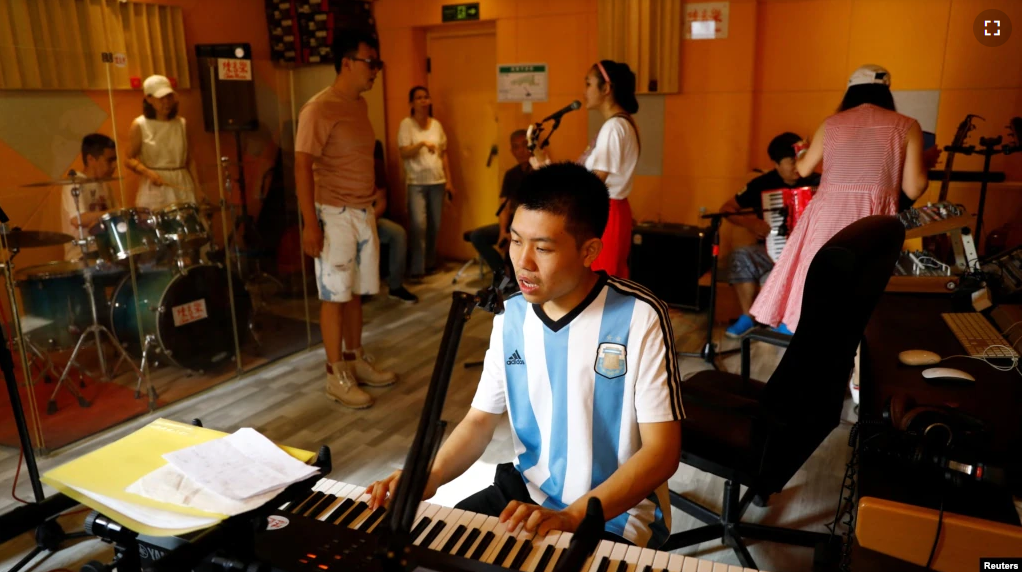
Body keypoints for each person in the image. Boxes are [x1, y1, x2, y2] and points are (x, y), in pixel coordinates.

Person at [367, 163, 684, 548]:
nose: (523, 262)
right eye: (516, 241)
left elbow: (662, 452)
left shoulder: (639, 316)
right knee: (422, 550)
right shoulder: (510, 314)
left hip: (614, 514)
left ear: (589, 251)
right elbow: (481, 421)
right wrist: (428, 476)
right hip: (525, 495)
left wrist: (571, 516)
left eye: (543, 248)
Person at [750, 65, 940, 333]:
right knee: (857, 298)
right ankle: (853, 368)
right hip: (871, 219)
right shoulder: (907, 126)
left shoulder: (831, 124)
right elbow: (914, 188)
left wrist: (803, 150)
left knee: (818, 288)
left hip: (826, 217)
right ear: (886, 92)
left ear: (850, 93)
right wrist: (923, 163)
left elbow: (802, 170)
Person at [296, 30, 397, 409]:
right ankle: (334, 373)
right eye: (371, 63)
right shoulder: (319, 108)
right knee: (334, 296)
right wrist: (310, 223)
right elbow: (302, 165)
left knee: (354, 292)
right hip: (333, 214)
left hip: (362, 211)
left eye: (378, 64)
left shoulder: (359, 106)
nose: (375, 71)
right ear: (347, 63)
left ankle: (355, 359)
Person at [538, 60, 640, 279]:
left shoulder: (614, 127)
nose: (584, 92)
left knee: (603, 281)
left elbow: (594, 184)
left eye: (588, 84)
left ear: (606, 89)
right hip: (610, 209)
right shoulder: (617, 125)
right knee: (603, 280)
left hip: (607, 211)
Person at [721, 132, 821, 338]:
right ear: (776, 164)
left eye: (800, 159)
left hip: (808, 253)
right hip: (772, 250)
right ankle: (748, 317)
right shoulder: (762, 183)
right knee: (740, 256)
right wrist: (750, 223)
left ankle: (789, 320)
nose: (797, 166)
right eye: (791, 161)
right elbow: (727, 208)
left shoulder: (819, 182)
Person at [398, 86, 456, 280]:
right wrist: (422, 144)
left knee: (434, 224)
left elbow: (444, 154)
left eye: (426, 97)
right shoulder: (407, 124)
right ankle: (416, 268)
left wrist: (449, 181)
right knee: (418, 225)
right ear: (412, 103)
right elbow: (404, 152)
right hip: (416, 183)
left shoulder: (436, 125)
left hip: (437, 181)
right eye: (418, 98)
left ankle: (430, 263)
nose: (423, 101)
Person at [126, 75, 198, 211]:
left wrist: (198, 189)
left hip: (181, 180)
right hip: (155, 183)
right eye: (161, 98)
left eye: (169, 97)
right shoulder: (140, 125)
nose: (167, 102)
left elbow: (190, 159)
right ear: (149, 99)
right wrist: (147, 172)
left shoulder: (181, 123)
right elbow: (128, 159)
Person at [469, 129, 533, 275]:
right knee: (477, 236)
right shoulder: (511, 175)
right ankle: (501, 273)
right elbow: (504, 206)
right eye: (516, 147)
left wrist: (515, 232)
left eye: (525, 145)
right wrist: (503, 231)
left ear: (532, 146)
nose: (521, 151)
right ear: (512, 151)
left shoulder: (540, 170)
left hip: (530, 227)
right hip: (512, 224)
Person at [372, 140, 418, 304]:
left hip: (371, 218)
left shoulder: (375, 166)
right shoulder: (344, 167)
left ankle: (396, 285)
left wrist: (370, 220)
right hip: (348, 220)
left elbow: (381, 201)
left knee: (398, 233)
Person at [63, 134, 119, 261]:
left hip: (105, 250)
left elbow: (117, 214)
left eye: (115, 160)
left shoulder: (105, 185)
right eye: (110, 160)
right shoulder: (74, 184)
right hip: (82, 254)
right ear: (91, 159)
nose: (114, 165)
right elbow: (78, 219)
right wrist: (110, 213)